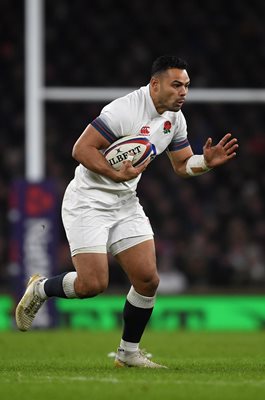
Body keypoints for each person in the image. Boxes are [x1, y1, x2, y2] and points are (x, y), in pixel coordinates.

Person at [15, 55, 238, 368]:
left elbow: (182, 165)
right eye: (176, 85)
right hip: (88, 200)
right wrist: (113, 172)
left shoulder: (175, 119)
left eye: (186, 86)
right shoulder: (123, 110)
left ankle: (128, 353)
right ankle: (41, 289)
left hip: (125, 202)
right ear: (155, 84)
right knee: (92, 285)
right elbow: (81, 149)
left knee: (148, 279)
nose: (183, 92)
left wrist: (205, 162)